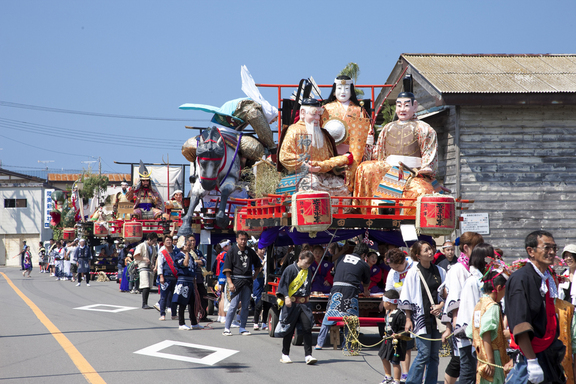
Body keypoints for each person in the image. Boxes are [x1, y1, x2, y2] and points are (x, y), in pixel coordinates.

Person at [353, 87, 438, 214]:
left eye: (406, 105)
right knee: (365, 167)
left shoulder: (425, 129)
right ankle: (363, 209)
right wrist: (369, 144)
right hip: (389, 170)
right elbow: (378, 154)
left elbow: (429, 153)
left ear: (415, 106)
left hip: (413, 172)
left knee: (421, 192)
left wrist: (425, 168)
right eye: (399, 105)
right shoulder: (387, 128)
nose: (402, 109)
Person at [505, 230, 566, 384]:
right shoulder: (521, 278)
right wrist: (532, 361)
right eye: (546, 248)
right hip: (532, 354)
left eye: (554, 248)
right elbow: (520, 322)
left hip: (548, 351)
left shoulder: (545, 277)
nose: (552, 252)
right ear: (530, 251)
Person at [277, 98, 352, 200]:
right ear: (303, 113)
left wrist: (340, 161)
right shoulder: (294, 130)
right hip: (302, 174)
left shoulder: (323, 134)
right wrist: (305, 165)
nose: (317, 118)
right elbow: (285, 156)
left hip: (323, 174)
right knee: (312, 185)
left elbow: (329, 158)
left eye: (319, 114)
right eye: (313, 114)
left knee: (342, 187)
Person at [400, 240, 446, 384]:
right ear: (418, 255)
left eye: (431, 249)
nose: (430, 252)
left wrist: (441, 305)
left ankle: (430, 382)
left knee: (434, 356)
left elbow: (448, 293)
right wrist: (408, 319)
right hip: (421, 318)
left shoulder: (440, 271)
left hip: (437, 318)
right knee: (423, 354)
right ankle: (412, 382)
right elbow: (406, 296)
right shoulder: (413, 272)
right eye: (426, 250)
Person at [441, 232, 484, 384]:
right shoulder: (458, 269)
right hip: (464, 324)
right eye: (477, 247)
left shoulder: (474, 268)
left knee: (470, 367)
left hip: (477, 322)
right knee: (466, 368)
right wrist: (455, 326)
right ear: (466, 248)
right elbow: (454, 299)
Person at [315, 242, 371, 349]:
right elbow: (366, 282)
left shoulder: (342, 257)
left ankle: (319, 343)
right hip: (350, 290)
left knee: (329, 315)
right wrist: (366, 291)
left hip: (335, 288)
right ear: (364, 255)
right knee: (350, 318)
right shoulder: (363, 264)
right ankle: (347, 345)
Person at [321, 75, 372, 192]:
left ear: (352, 91)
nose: (343, 92)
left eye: (346, 88)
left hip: (354, 153)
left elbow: (366, 131)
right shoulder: (326, 109)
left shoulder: (359, 110)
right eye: (339, 88)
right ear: (334, 91)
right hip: (331, 151)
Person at [466, 266, 512, 384]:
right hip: (492, 352)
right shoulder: (493, 306)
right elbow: (486, 331)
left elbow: (471, 331)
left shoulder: (479, 304)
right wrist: (490, 360)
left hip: (481, 353)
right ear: (498, 288)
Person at [275, 250, 317, 365]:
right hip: (292, 303)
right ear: (300, 258)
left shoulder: (308, 271)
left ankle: (308, 355)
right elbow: (283, 285)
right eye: (306, 263)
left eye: (309, 264)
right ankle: (285, 354)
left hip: (304, 304)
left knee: (307, 328)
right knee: (289, 329)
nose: (307, 265)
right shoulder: (290, 269)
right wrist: (286, 297)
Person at [222, 231, 262, 336]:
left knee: (245, 306)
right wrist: (229, 282)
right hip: (235, 280)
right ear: (237, 240)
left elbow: (258, 265)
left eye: (245, 239)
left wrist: (255, 275)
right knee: (234, 305)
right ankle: (227, 328)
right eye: (241, 239)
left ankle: (242, 328)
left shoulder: (250, 251)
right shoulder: (231, 251)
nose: (243, 241)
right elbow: (227, 269)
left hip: (248, 281)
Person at [385, 248, 416, 381]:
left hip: (415, 308)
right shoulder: (393, 272)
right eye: (393, 267)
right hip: (400, 312)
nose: (396, 269)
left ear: (404, 261)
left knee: (414, 344)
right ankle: (405, 373)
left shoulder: (414, 266)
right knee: (402, 342)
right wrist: (388, 312)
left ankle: (411, 373)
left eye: (398, 266)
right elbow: (389, 291)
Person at [171, 238, 203, 330]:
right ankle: (181, 323)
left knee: (193, 303)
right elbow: (185, 264)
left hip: (191, 282)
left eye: (190, 245)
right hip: (183, 282)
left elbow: (197, 265)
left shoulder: (191, 256)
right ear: (182, 246)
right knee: (182, 303)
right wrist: (187, 254)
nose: (189, 247)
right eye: (187, 245)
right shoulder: (179, 256)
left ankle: (194, 322)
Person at [379, 290, 407, 384]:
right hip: (387, 340)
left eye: (383, 301)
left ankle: (397, 380)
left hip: (396, 342)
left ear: (389, 302)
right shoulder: (388, 313)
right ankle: (388, 376)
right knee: (383, 356)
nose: (383, 304)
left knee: (395, 361)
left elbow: (404, 329)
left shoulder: (400, 314)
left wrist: (398, 335)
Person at [188, 235, 210, 322]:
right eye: (191, 241)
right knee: (193, 299)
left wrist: (197, 261)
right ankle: (193, 317)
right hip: (192, 279)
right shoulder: (187, 252)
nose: (193, 242)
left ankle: (203, 316)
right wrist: (197, 261)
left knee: (203, 297)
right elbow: (190, 263)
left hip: (200, 279)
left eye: (194, 240)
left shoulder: (198, 252)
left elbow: (204, 261)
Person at [156, 236, 179, 321]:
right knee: (164, 296)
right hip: (166, 277)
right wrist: (161, 276)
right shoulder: (162, 252)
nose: (169, 242)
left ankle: (173, 314)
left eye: (170, 240)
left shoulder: (176, 252)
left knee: (174, 296)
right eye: (167, 240)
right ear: (164, 242)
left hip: (175, 277)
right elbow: (160, 265)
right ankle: (162, 314)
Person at [134, 232, 158, 309]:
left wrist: (153, 265)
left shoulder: (153, 248)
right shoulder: (141, 245)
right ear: (149, 239)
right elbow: (136, 256)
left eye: (155, 241)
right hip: (143, 267)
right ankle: (144, 303)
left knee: (149, 285)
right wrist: (144, 258)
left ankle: (146, 303)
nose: (154, 243)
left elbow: (154, 257)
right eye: (153, 241)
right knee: (145, 285)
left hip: (149, 267)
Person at [253, 246, 271, 331]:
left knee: (266, 304)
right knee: (258, 304)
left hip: (266, 284)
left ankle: (264, 323)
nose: (263, 251)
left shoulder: (266, 258)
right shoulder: (255, 259)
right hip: (258, 284)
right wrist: (262, 264)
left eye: (264, 249)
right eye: (261, 249)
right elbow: (256, 271)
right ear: (256, 250)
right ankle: (256, 322)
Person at [215, 239, 232, 323]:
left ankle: (220, 315)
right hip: (224, 276)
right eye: (229, 244)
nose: (231, 246)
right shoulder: (225, 254)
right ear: (225, 246)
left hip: (220, 276)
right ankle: (223, 316)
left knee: (221, 297)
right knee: (223, 297)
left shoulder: (221, 254)